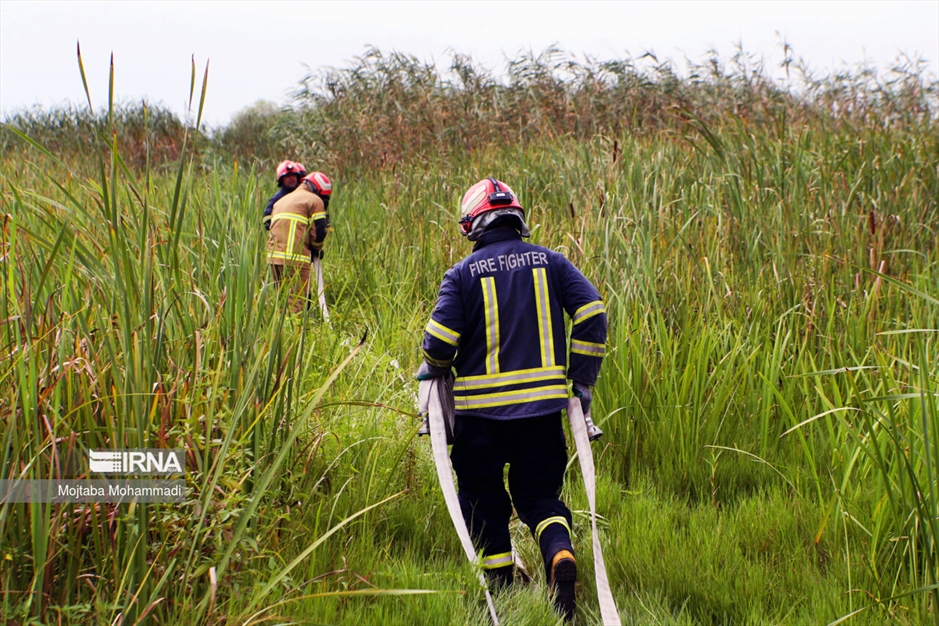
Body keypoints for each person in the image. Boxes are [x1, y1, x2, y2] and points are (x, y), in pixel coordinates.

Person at [418, 178, 607, 620]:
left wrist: (436, 369)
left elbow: (437, 345)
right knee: (540, 497)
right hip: (542, 416)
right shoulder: (553, 263)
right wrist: (580, 378)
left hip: (479, 421)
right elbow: (593, 313)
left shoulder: (462, 275)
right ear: (517, 219)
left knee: (483, 505)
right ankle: (560, 554)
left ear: (473, 225)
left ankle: (501, 597)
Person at [266, 171, 332, 313]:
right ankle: (297, 333)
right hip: (295, 259)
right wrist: (317, 249)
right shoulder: (314, 201)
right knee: (298, 302)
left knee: (282, 301)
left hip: (274, 258)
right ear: (318, 190)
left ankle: (280, 333)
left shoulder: (282, 200)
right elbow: (319, 232)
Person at [262, 160, 307, 230]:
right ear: (281, 179)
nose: (291, 178)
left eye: (293, 175)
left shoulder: (304, 195)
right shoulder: (276, 199)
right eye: (288, 176)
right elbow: (266, 218)